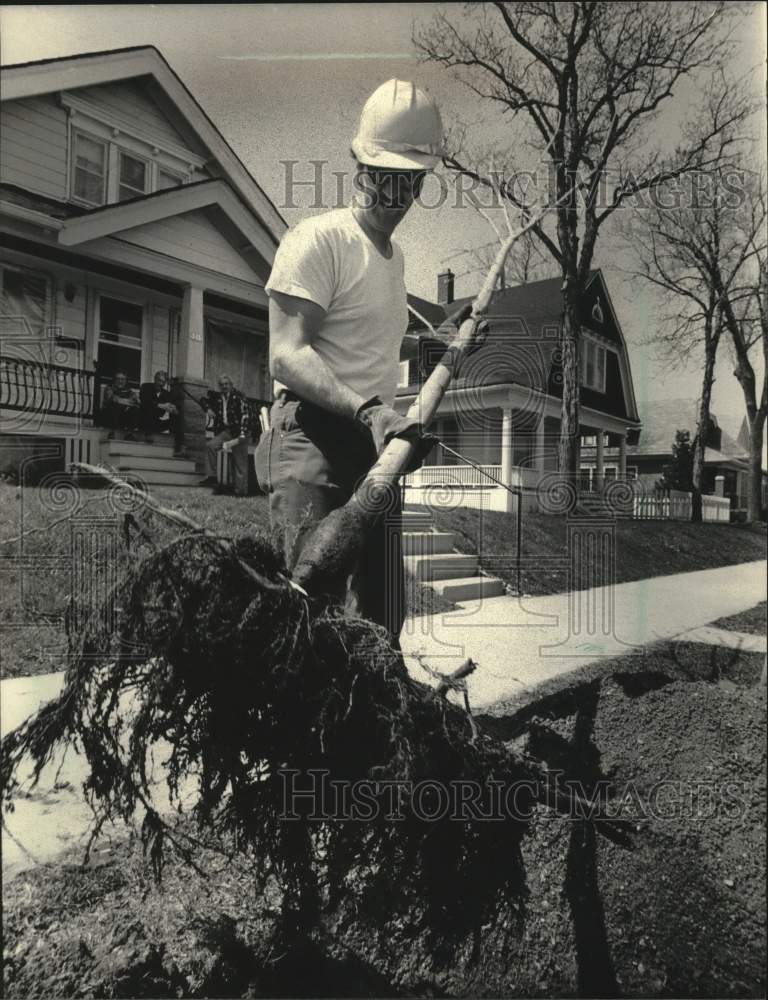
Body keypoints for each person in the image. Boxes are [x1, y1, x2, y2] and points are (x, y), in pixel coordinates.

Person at [256, 79, 483, 643]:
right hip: (311, 435)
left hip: (373, 446)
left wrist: (442, 343)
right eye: (386, 174)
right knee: (309, 611)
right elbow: (287, 356)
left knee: (383, 612)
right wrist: (370, 412)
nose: (397, 192)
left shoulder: (395, 260)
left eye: (411, 180)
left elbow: (367, 346)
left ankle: (381, 728)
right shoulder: (317, 240)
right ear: (359, 162)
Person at [199, 374, 250, 495]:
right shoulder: (218, 398)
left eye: (226, 384)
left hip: (240, 432)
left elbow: (246, 416)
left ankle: (241, 492)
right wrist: (208, 409)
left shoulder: (239, 397)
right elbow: (202, 400)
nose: (224, 387)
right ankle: (212, 476)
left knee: (239, 463)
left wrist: (242, 435)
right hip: (226, 432)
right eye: (222, 385)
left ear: (231, 385)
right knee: (210, 446)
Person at [139, 370, 186, 456]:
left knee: (177, 415)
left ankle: (180, 446)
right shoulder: (146, 387)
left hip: (156, 424)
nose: (160, 384)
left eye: (163, 382)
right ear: (154, 379)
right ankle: (148, 435)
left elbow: (172, 406)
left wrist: (173, 409)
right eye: (159, 380)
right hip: (144, 422)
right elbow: (145, 401)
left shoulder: (166, 394)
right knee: (149, 407)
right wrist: (160, 405)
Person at [101, 371, 139, 440]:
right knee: (115, 405)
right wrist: (127, 403)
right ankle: (111, 433)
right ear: (114, 380)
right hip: (108, 417)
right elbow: (114, 399)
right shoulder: (109, 388)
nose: (120, 381)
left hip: (121, 417)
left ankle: (129, 434)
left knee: (135, 409)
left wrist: (129, 403)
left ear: (126, 381)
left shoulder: (128, 390)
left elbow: (135, 401)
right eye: (118, 379)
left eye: (122, 379)